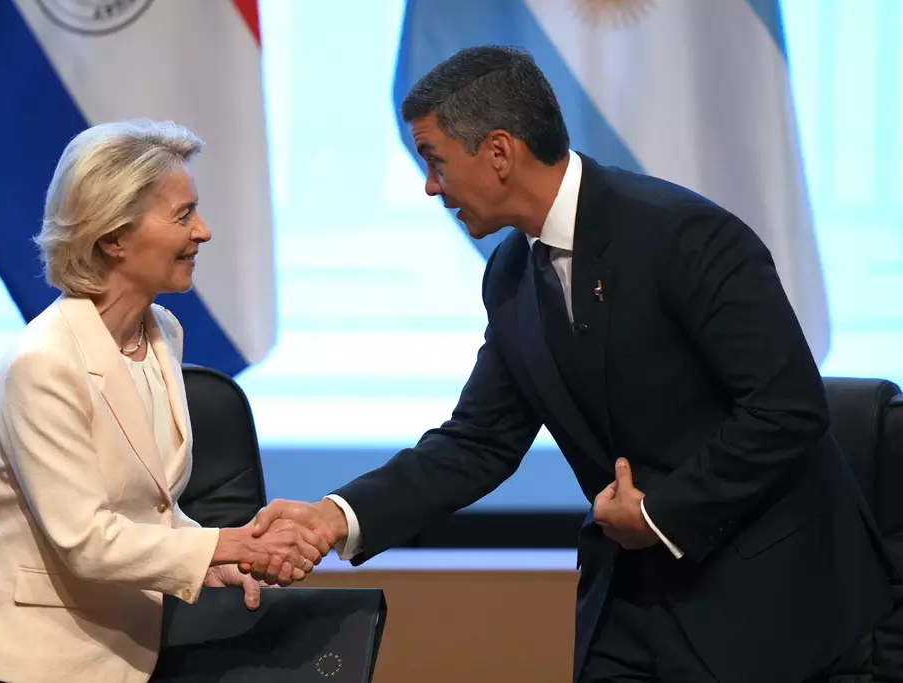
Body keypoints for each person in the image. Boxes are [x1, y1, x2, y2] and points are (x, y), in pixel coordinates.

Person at [244, 47, 900, 683]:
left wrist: (661, 513)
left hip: (768, 601)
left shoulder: (682, 235)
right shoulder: (510, 274)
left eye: (435, 161)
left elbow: (787, 407)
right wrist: (334, 516)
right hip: (632, 601)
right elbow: (479, 440)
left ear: (499, 152)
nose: (430, 186)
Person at [0, 119, 330, 683]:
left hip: (131, 647)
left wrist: (217, 563)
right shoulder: (43, 362)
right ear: (113, 238)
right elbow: (86, 541)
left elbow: (150, 511)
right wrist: (228, 545)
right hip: (31, 663)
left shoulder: (163, 331)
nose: (203, 232)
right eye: (183, 215)